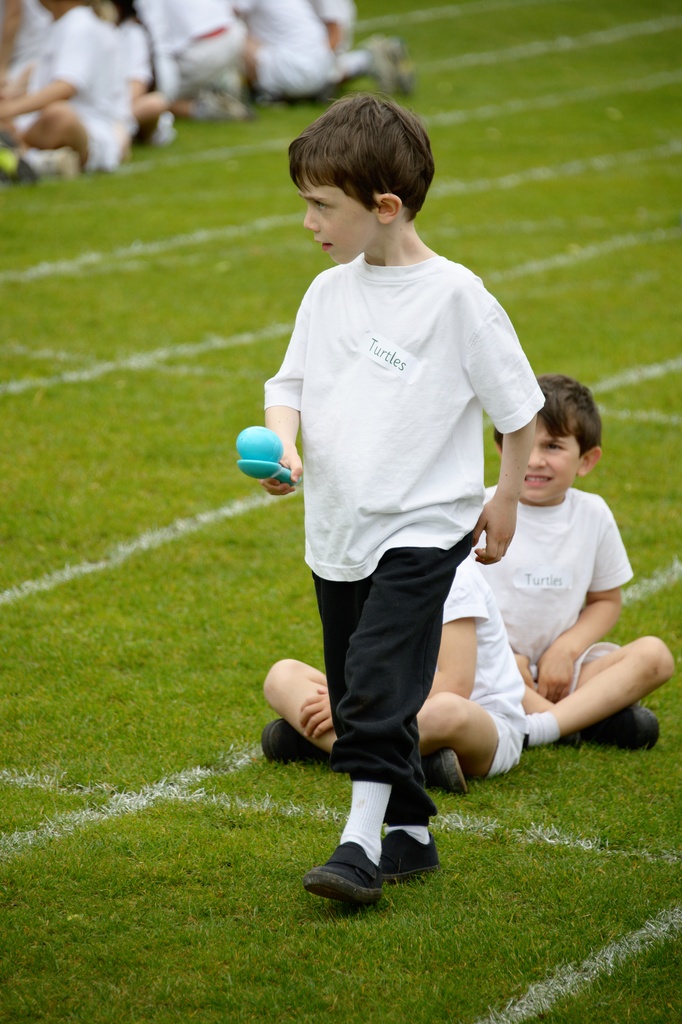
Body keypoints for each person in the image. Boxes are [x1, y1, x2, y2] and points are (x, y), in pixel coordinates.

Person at [258, 94, 544, 905]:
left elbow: (519, 412)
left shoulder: (457, 297)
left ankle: (358, 847)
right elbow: (288, 385)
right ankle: (411, 833)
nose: (309, 222)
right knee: (359, 685)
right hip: (338, 527)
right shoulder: (327, 293)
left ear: (384, 207)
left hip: (424, 525)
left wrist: (506, 500)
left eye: (323, 206)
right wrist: (283, 443)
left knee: (378, 681)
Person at [476, 373, 675, 751]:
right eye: (525, 445)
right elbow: (452, 606)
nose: (535, 460)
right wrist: (503, 656)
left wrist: (566, 650)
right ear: (504, 449)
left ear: (586, 460)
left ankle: (538, 724)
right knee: (452, 666)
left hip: (562, 674)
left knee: (655, 657)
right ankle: (574, 721)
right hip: (490, 667)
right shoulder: (480, 508)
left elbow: (606, 601)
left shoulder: (593, 514)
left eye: (552, 446)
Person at [262, 556, 528, 799]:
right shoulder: (374, 563)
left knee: (447, 711)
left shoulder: (456, 573)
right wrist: (346, 703)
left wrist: (350, 707)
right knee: (282, 676)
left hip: (482, 721)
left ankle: (322, 747)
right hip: (387, 709)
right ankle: (418, 763)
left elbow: (455, 684)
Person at [0, 0, 130, 179]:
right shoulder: (63, 24)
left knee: (60, 115)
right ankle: (37, 161)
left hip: (89, 131)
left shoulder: (78, 25)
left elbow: (66, 87)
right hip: (48, 127)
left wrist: (9, 110)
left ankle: (24, 156)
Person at [135, 0, 252, 122]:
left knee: (149, 97)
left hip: (202, 48)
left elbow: (160, 43)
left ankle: (206, 109)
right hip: (233, 32)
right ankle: (219, 87)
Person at [233, 0, 335, 105]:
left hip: (294, 72)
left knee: (233, 33)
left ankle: (244, 93)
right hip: (321, 73)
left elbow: (228, 14)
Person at [308, 0, 414, 97]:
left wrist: (319, 65)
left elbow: (335, 32)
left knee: (315, 84)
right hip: (319, 47)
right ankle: (367, 58)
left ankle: (369, 58)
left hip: (326, 46)